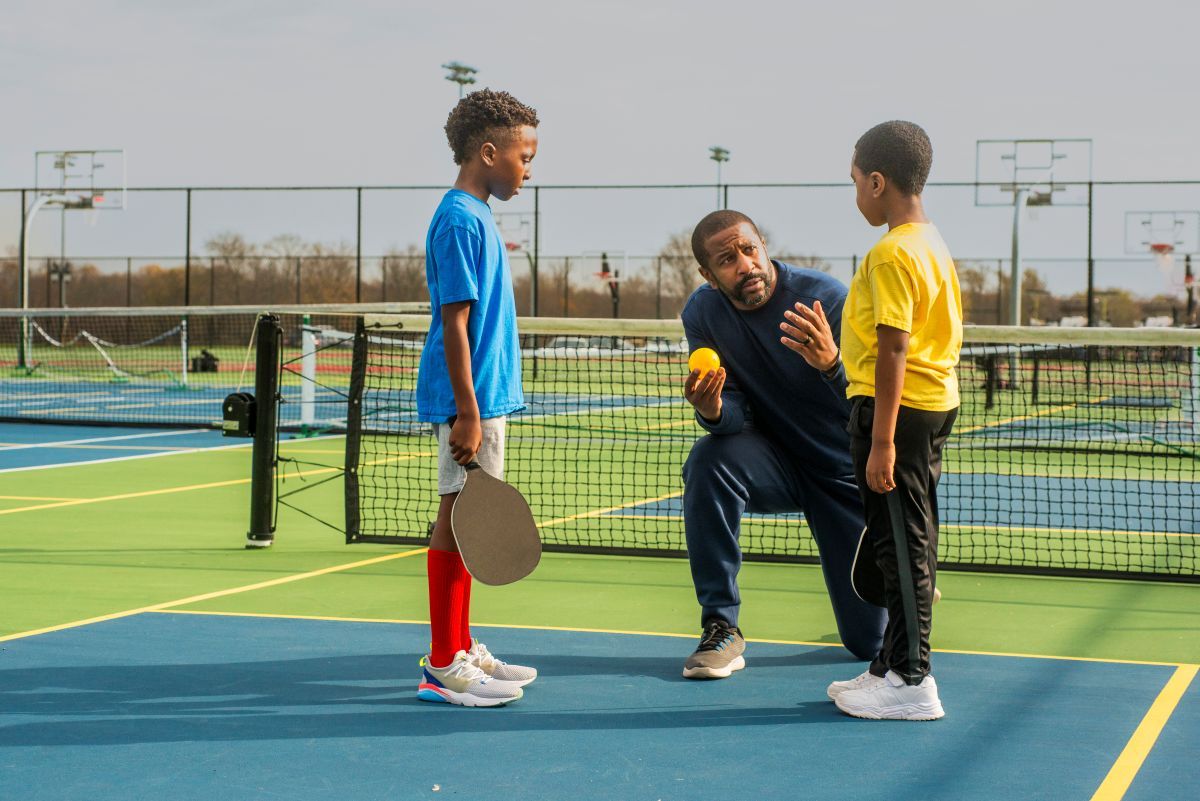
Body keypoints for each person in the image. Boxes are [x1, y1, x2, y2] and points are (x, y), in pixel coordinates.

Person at [679, 209, 887, 680]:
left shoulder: (825, 299)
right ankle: (721, 626)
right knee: (708, 459)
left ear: (764, 247)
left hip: (841, 475)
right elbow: (734, 414)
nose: (745, 265)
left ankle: (902, 585)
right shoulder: (703, 313)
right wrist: (713, 410)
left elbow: (871, 406)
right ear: (708, 275)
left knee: (868, 644)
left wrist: (832, 366)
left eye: (749, 249)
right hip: (772, 463)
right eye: (727, 260)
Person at [820, 120, 962, 720]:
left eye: (855, 181)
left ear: (877, 183)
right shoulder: (930, 243)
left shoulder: (891, 252)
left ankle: (912, 680)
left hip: (898, 416)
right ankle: (888, 664)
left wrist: (882, 440)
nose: (855, 193)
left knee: (901, 548)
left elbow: (894, 347)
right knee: (898, 541)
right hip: (928, 407)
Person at [414, 88, 541, 707]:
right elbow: (455, 323)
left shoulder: (478, 217)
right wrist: (467, 410)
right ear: (489, 153)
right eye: (524, 157)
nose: (528, 170)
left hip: (484, 400)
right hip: (470, 403)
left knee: (468, 521)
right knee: (456, 519)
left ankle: (460, 646)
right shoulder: (461, 220)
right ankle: (444, 662)